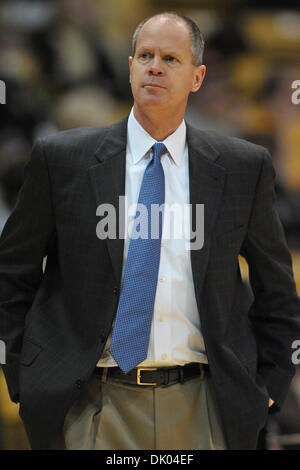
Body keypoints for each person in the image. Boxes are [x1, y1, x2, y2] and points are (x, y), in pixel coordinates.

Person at [1, 11, 300, 451]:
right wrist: (26, 378)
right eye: (145, 55)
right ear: (129, 68)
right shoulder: (62, 160)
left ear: (197, 77)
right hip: (91, 402)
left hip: (205, 402)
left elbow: (277, 290)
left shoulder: (241, 166)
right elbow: (11, 276)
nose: (155, 66)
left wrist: (268, 387)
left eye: (170, 59)